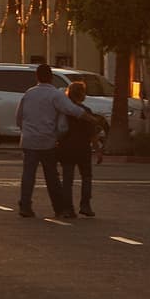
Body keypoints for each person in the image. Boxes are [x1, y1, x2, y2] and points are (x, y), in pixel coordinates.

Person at [15, 63, 98, 219]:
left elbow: (19, 117)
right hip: (47, 141)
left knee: (28, 175)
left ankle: (25, 206)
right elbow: (72, 110)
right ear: (51, 77)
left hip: (29, 140)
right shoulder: (55, 95)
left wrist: (25, 131)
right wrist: (90, 119)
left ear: (37, 77)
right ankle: (58, 208)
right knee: (52, 177)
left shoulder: (28, 94)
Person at [57, 81, 106, 218]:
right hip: (83, 148)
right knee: (86, 176)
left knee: (67, 179)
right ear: (81, 94)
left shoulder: (65, 112)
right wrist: (98, 151)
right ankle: (85, 205)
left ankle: (67, 208)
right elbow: (93, 135)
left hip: (66, 147)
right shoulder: (86, 112)